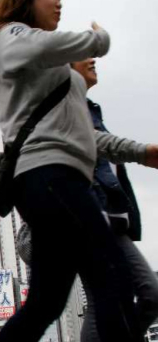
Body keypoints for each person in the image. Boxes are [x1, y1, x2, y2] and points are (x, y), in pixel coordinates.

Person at [0, 0, 142, 341]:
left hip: (54, 180)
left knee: (46, 303)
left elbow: (88, 135)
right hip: (50, 177)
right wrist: (98, 40)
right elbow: (41, 47)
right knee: (113, 275)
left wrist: (141, 152)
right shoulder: (11, 35)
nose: (60, 2)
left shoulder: (50, 71)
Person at [70, 58, 158, 342]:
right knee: (128, 296)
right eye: (84, 53)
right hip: (88, 215)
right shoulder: (66, 106)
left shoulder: (89, 107)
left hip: (108, 216)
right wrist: (141, 152)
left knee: (141, 295)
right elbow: (97, 144)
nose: (93, 59)